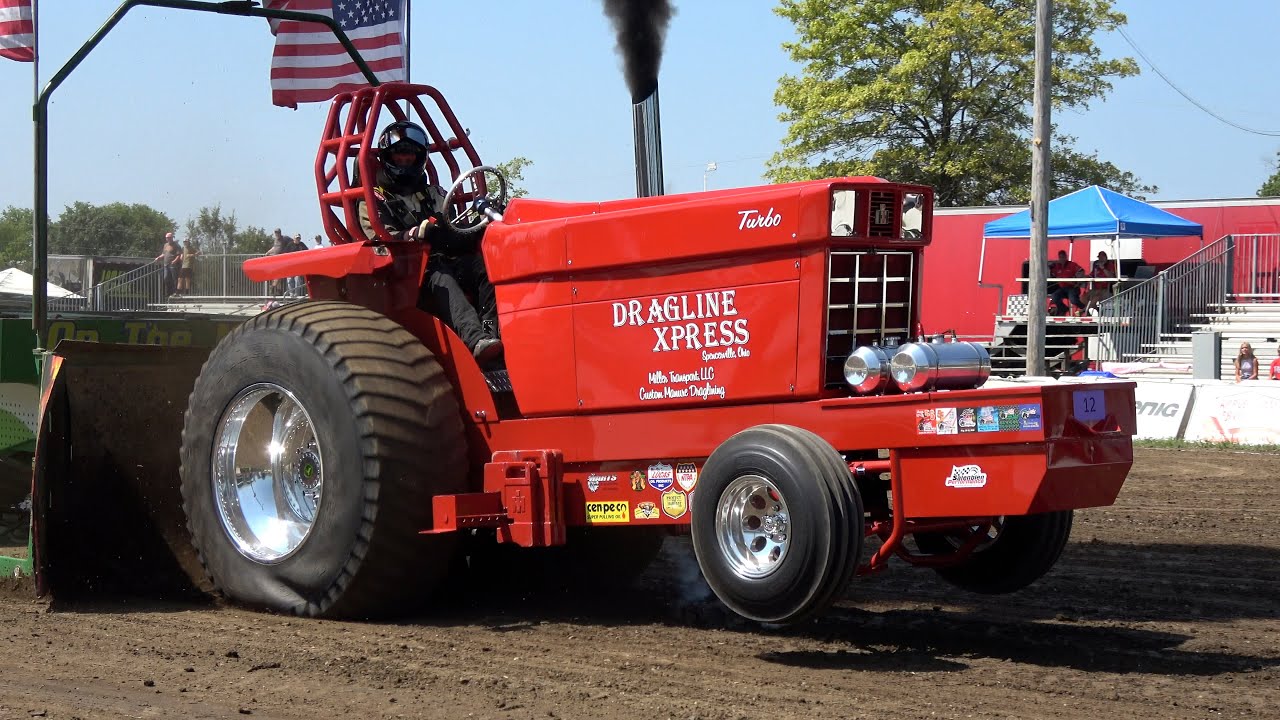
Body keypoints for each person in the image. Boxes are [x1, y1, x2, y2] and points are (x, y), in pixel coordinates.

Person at [357, 120, 502, 363]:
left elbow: (455, 227)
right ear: (388, 157)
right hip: (409, 271)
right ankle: (474, 339)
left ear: (420, 158)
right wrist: (413, 234)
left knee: (483, 267)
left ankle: (491, 332)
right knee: (441, 277)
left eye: (410, 156)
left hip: (446, 258)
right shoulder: (373, 201)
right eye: (400, 155)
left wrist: (479, 225)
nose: (405, 161)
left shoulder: (434, 193)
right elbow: (382, 237)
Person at [1049, 250, 1086, 316]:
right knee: (1054, 296)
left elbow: (1081, 271)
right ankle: (1063, 308)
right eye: (1060, 257)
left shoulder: (1072, 264)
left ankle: (1084, 308)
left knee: (1073, 299)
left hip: (1073, 288)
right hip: (1063, 288)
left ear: (1066, 257)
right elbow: (1051, 273)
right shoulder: (1056, 266)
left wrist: (1077, 281)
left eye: (1063, 257)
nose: (1062, 259)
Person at [155, 232, 180, 298]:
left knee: (174, 278)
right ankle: (169, 292)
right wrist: (159, 257)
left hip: (173, 264)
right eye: (167, 238)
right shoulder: (165, 245)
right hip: (166, 264)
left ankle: (175, 292)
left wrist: (175, 261)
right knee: (166, 278)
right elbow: (164, 254)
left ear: (172, 238)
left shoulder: (176, 245)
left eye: (169, 237)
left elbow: (178, 255)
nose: (168, 239)